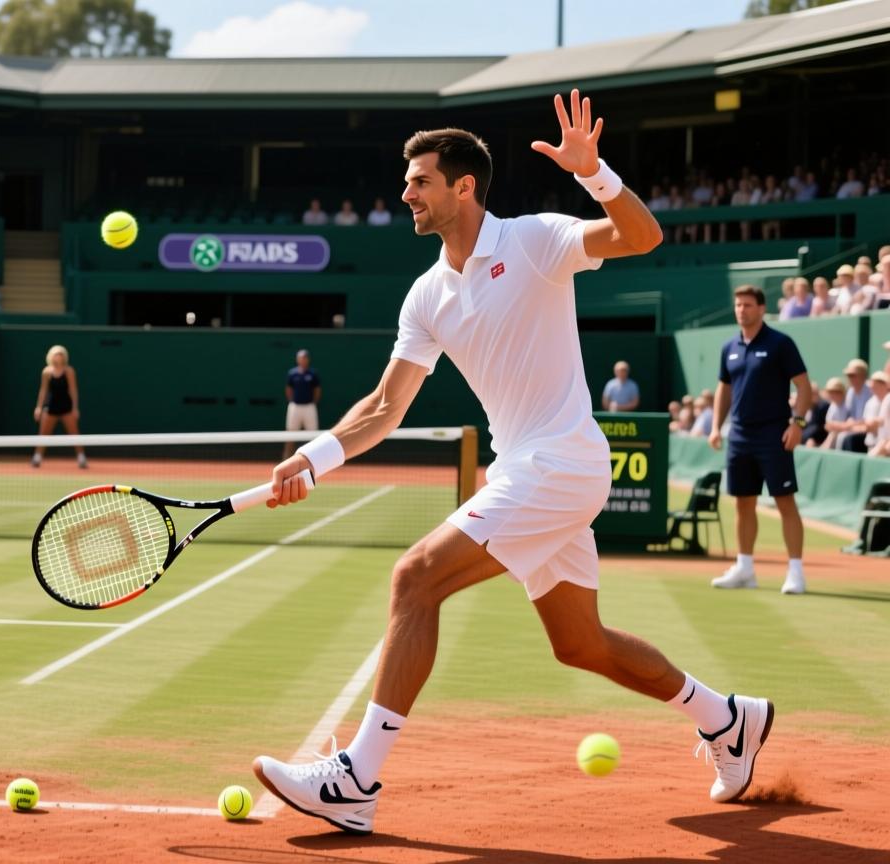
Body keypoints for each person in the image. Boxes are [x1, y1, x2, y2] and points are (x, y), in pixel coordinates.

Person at [252, 90, 773, 835]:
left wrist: (596, 177)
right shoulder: (427, 293)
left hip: (561, 460)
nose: (406, 193)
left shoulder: (534, 239)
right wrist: (312, 455)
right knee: (580, 644)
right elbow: (383, 407)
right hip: (525, 470)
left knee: (415, 577)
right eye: (407, 181)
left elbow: (642, 237)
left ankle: (357, 778)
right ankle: (728, 719)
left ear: (464, 187)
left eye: (421, 180)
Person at [708, 285, 812, 595]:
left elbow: (804, 387)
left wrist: (798, 423)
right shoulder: (729, 347)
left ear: (761, 308)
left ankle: (795, 572)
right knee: (743, 503)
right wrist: (716, 426)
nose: (742, 310)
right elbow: (723, 389)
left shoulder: (781, 344)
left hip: (774, 434)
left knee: (784, 502)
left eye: (748, 305)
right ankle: (745, 568)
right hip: (739, 435)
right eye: (738, 305)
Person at [31, 345, 87, 469]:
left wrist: (75, 408)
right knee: (43, 434)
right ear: (51, 356)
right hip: (50, 407)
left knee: (74, 434)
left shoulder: (69, 371)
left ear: (64, 357)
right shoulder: (46, 372)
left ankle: (81, 457)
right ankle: (37, 457)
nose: (58, 356)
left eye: (61, 354)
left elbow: (73, 390)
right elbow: (43, 390)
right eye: (56, 354)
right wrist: (39, 407)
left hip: (66, 407)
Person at [282, 349, 321, 459]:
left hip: (309, 407)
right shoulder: (292, 373)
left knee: (313, 437)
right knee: (290, 436)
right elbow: (288, 389)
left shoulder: (313, 374)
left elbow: (317, 390)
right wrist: (292, 401)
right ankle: (286, 460)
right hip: (295, 407)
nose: (303, 360)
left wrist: (313, 402)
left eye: (305, 357)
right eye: (301, 358)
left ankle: (315, 459)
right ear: (297, 359)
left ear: (308, 360)